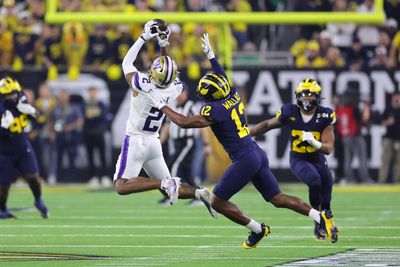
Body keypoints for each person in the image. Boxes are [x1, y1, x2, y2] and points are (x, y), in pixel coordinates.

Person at [146, 33, 339, 248]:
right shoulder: (232, 94)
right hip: (255, 151)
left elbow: (183, 122)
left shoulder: (215, 109)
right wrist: (211, 55)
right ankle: (319, 216)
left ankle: (257, 230)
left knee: (217, 202)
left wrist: (161, 105)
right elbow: (220, 74)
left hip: (244, 159)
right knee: (276, 198)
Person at [114, 19, 218, 218]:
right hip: (154, 142)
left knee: (122, 186)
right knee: (171, 187)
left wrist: (144, 37)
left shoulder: (143, 83)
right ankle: (199, 193)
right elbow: (166, 66)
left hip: (136, 139)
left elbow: (127, 63)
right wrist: (163, 46)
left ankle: (163, 182)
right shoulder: (175, 87)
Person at [250, 78, 336, 240]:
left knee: (327, 185)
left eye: (310, 95)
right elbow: (268, 125)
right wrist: (249, 133)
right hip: (299, 158)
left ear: (317, 97)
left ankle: (327, 220)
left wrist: (314, 142)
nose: (306, 99)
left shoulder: (325, 114)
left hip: (317, 157)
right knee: (315, 181)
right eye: (303, 95)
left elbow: (328, 148)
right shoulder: (290, 112)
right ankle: (319, 223)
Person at [0, 77, 48, 219]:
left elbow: (40, 118)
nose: (12, 97)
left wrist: (33, 112)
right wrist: (3, 127)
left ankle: (38, 198)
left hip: (21, 146)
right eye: (8, 94)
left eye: (14, 93)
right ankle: (2, 208)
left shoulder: (21, 100)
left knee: (33, 176)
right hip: (3, 150)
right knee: (3, 185)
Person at [159, 89, 213, 205]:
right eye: (178, 92)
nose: (179, 95)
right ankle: (200, 195)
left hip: (187, 142)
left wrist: (206, 144)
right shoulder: (172, 107)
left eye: (182, 92)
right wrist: (159, 143)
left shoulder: (191, 106)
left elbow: (202, 125)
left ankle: (170, 195)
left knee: (173, 164)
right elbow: (167, 126)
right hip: (176, 143)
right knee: (186, 170)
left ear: (186, 93)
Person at [83, 86, 112, 188]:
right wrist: (93, 117)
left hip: (99, 133)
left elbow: (103, 117)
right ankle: (93, 177)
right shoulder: (85, 104)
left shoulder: (101, 104)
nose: (92, 94)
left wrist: (92, 117)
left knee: (102, 156)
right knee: (90, 156)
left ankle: (104, 176)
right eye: (90, 92)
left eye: (94, 92)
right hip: (88, 133)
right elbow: (83, 118)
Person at [378, 92, 400, 183]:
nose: (396, 99)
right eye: (395, 97)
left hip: (398, 139)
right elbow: (381, 122)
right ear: (392, 98)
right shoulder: (388, 109)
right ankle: (381, 181)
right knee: (385, 160)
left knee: (398, 161)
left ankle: (397, 181)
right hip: (389, 138)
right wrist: (388, 122)